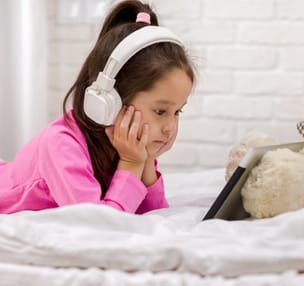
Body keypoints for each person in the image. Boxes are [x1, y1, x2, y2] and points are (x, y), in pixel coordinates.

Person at [0, 0, 195, 214]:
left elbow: (155, 214)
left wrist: (146, 161)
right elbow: (99, 225)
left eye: (177, 112)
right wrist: (131, 164)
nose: (170, 127)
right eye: (160, 111)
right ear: (110, 101)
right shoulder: (61, 145)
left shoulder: (131, 146)